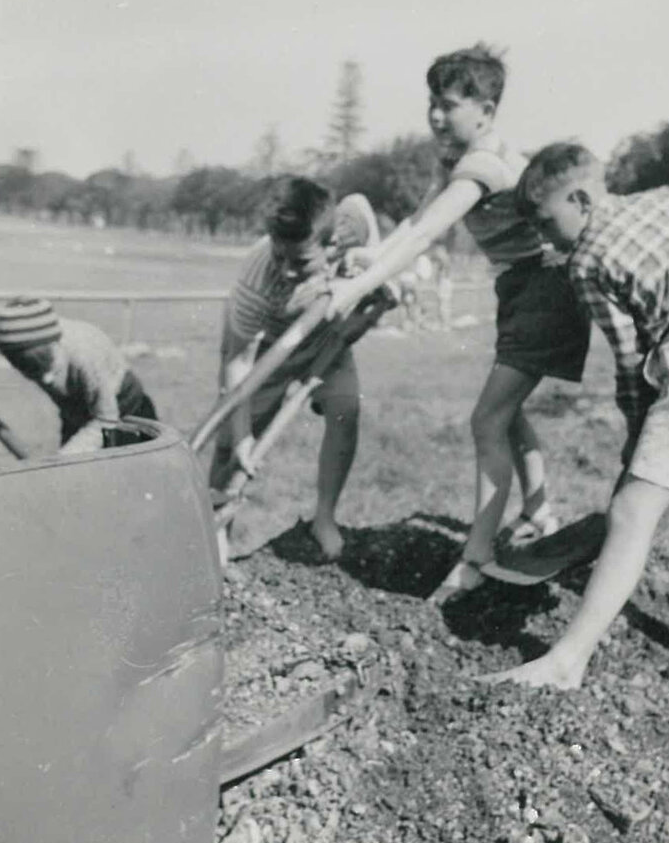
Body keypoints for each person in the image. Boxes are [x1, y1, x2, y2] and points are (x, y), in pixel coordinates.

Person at [483, 142, 669, 688]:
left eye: (548, 224)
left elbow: (629, 363)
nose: (547, 239)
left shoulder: (588, 261)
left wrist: (635, 448)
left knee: (630, 510)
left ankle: (567, 662)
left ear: (580, 198)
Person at [326, 44, 591, 599]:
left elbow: (427, 236)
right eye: (431, 104)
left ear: (487, 113)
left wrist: (358, 287)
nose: (435, 117)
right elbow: (419, 221)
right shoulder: (454, 162)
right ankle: (539, 512)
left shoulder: (483, 165)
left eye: (448, 105)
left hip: (545, 287)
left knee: (487, 420)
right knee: (507, 412)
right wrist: (373, 260)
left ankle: (476, 558)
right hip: (519, 288)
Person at [211, 175, 380, 560]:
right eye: (279, 256)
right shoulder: (255, 280)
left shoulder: (348, 225)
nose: (286, 270)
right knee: (232, 445)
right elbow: (237, 365)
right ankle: (216, 535)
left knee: (345, 411)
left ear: (331, 242)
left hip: (323, 334)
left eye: (299, 261)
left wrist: (371, 270)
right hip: (268, 349)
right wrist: (241, 437)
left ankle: (324, 518)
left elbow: (375, 239)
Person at [0, 297, 157, 454]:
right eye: (32, 372)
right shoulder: (6, 328)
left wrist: (61, 461)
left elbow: (105, 419)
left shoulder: (85, 354)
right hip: (75, 410)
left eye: (49, 367)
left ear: (54, 345)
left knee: (136, 471)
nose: (47, 380)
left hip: (125, 404)